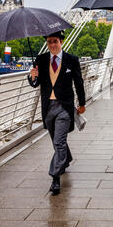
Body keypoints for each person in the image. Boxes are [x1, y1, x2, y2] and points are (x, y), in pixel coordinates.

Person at [28, 30, 86, 195]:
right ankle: (66, 158)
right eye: (49, 42)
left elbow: (79, 83)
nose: (52, 45)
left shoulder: (72, 60)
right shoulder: (41, 59)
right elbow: (36, 84)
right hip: (48, 108)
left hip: (64, 108)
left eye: (55, 41)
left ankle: (55, 177)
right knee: (56, 141)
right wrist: (32, 77)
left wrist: (82, 104)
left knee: (59, 142)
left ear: (61, 41)